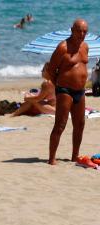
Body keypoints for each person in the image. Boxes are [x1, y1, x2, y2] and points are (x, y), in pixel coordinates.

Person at [47, 19, 89, 165]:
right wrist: (58, 86)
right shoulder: (63, 47)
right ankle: (52, 158)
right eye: (79, 31)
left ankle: (74, 156)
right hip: (65, 90)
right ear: (72, 30)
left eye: (85, 31)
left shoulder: (85, 47)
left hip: (80, 91)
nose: (82, 34)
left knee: (80, 124)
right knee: (60, 124)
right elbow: (50, 69)